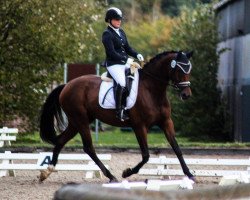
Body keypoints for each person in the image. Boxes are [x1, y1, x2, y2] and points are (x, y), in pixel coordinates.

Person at [102, 7, 144, 121]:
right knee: (121, 83)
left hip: (124, 62)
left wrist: (137, 54)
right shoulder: (107, 34)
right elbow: (111, 53)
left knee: (138, 77)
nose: (119, 21)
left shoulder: (121, 32)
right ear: (109, 20)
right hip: (113, 64)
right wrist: (127, 61)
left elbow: (128, 48)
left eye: (120, 19)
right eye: (116, 19)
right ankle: (119, 110)